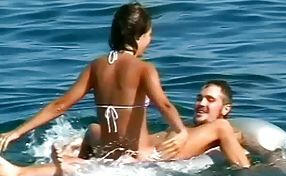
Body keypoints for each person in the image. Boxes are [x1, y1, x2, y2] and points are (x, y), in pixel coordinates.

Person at [0, 3, 188, 160]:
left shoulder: (95, 66)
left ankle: (75, 161)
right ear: (138, 36)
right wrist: (181, 132)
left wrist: (17, 131)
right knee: (184, 132)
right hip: (137, 156)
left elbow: (60, 105)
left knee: (92, 130)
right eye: (149, 35)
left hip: (106, 152)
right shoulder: (144, 69)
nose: (151, 40)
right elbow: (164, 105)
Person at [0, 80, 250, 176]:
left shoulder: (222, 126)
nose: (201, 103)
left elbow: (242, 165)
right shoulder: (185, 128)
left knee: (100, 158)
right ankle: (71, 159)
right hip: (131, 149)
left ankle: (19, 172)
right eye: (199, 97)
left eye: (209, 100)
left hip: (144, 161)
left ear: (226, 109)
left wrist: (268, 165)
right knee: (94, 130)